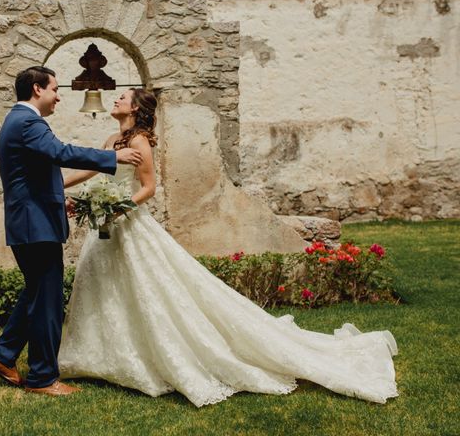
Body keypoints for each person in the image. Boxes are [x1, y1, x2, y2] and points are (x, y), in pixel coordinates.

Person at [57, 88, 399, 407]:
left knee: (147, 291)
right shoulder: (111, 139)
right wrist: (60, 185)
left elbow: (148, 188)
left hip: (128, 225)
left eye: (123, 97)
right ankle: (103, 355)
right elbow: (92, 170)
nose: (115, 100)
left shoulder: (142, 142)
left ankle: (149, 357)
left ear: (136, 109)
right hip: (105, 230)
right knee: (106, 290)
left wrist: (117, 208)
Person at [0, 66, 143, 397]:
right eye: (55, 89)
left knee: (37, 294)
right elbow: (60, 153)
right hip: (35, 224)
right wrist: (113, 156)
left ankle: (2, 355)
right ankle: (42, 378)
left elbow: (38, 172)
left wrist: (61, 197)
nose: (59, 96)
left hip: (30, 221)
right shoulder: (27, 122)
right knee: (48, 302)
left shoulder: (18, 121)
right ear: (38, 89)